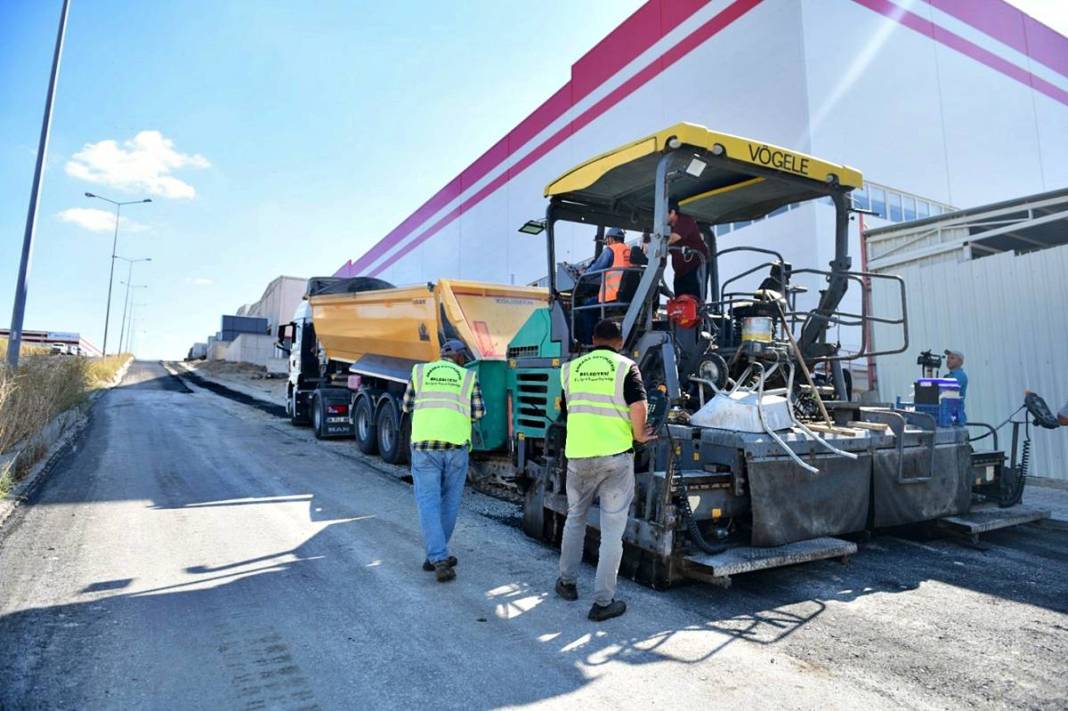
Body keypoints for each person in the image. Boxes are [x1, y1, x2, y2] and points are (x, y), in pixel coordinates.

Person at [555, 319, 656, 621]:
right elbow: (638, 405)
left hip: (579, 457)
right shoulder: (626, 367)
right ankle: (602, 602)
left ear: (593, 338)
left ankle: (567, 583)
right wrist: (640, 435)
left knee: (575, 519)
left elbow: (565, 410)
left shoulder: (571, 369)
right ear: (620, 341)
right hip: (615, 459)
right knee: (612, 533)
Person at [402, 339, 484, 582]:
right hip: (456, 448)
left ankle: (436, 556)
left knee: (428, 503)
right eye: (463, 356)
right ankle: (439, 555)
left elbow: (406, 406)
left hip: (425, 448)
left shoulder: (420, 372)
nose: (464, 360)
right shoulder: (467, 377)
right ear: (457, 356)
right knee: (450, 502)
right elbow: (478, 412)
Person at [576, 227, 634, 343]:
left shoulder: (610, 250)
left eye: (607, 240)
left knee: (586, 309)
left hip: (611, 297)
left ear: (611, 239)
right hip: (628, 297)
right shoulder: (629, 251)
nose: (607, 242)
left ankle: (589, 343)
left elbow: (595, 269)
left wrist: (582, 274)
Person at [667, 200, 709, 300]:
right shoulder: (668, 228)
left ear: (672, 212)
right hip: (680, 272)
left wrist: (654, 243)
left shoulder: (685, 220)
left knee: (694, 301)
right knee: (679, 302)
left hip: (695, 267)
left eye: (663, 214)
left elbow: (672, 238)